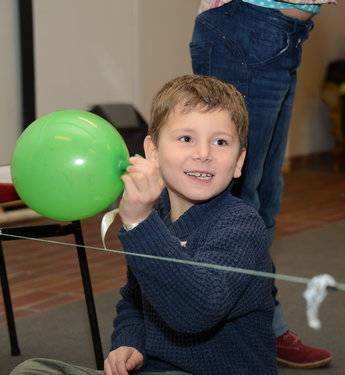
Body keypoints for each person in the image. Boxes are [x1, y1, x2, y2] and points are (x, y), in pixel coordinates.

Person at [10, 75, 277, 374]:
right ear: (152, 151)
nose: (204, 154)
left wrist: (139, 222)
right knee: (33, 370)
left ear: (239, 161)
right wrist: (129, 343)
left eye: (220, 142)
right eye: (186, 138)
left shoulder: (241, 225)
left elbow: (196, 312)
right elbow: (136, 300)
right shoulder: (157, 215)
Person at [190, 0, 335, 369]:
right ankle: (225, 330)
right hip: (246, 31)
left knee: (265, 196)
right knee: (234, 197)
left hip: (276, 37)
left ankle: (258, 325)